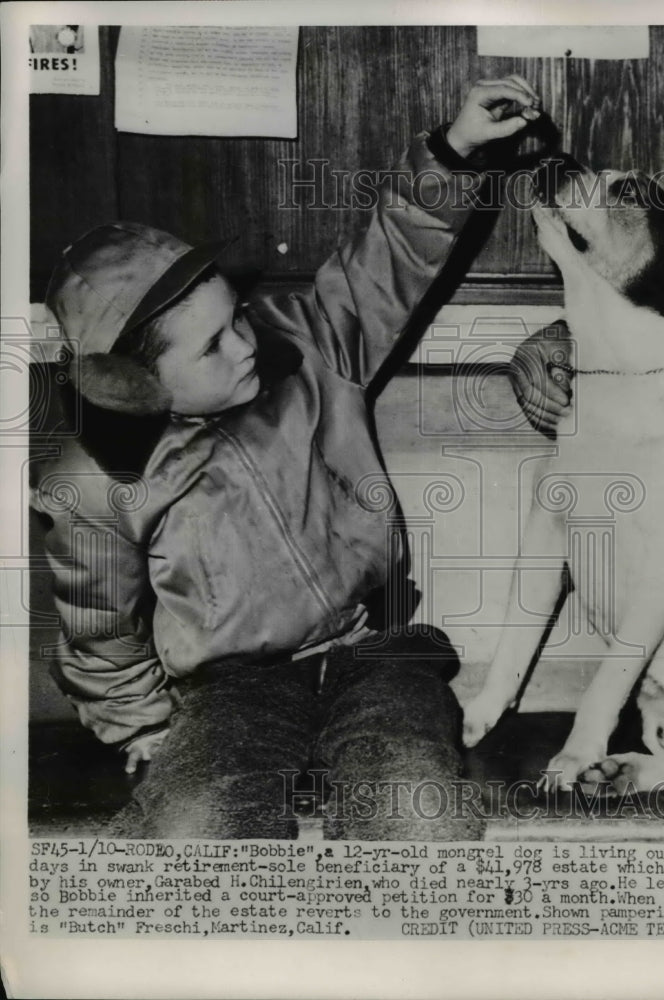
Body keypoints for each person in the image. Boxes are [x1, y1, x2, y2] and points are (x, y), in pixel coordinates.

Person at [32, 75, 565, 840]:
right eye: (212, 346)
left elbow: (386, 260)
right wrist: (138, 728)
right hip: (231, 689)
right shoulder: (93, 486)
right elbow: (98, 625)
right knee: (190, 830)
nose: (246, 344)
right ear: (134, 385)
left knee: (418, 818)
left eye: (236, 317)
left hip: (375, 654)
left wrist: (454, 150)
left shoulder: (306, 346)